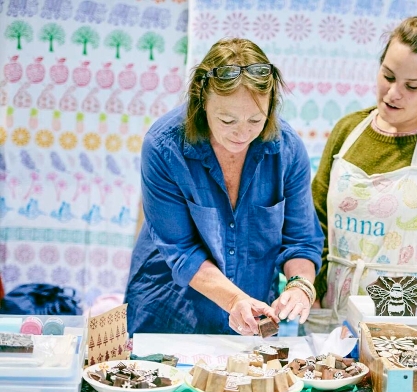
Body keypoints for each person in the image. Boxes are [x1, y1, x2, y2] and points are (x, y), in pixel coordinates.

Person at [125, 38, 324, 336]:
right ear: (201, 100)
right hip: (170, 309)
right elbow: (181, 250)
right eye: (227, 119)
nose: (242, 133)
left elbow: (301, 240)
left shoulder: (287, 149)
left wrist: (300, 285)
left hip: (251, 314)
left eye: (256, 119)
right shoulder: (164, 146)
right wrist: (234, 299)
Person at [307, 17, 417, 333]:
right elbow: (315, 220)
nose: (393, 93)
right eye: (388, 76)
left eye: (412, 86)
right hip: (337, 314)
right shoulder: (347, 132)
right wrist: (314, 289)